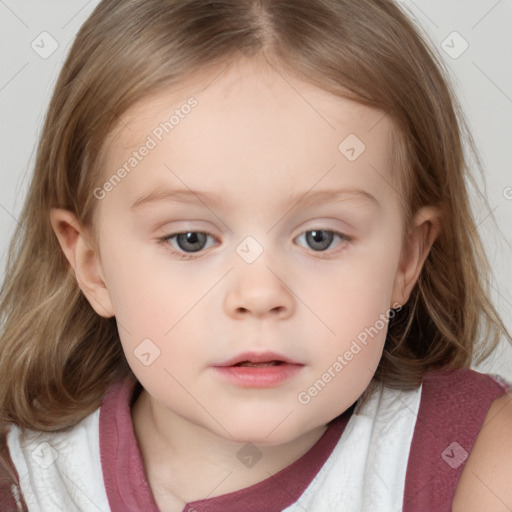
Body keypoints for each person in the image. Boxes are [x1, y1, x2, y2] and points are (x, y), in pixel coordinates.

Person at [1, 0, 511, 510]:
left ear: (407, 257)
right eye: (190, 239)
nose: (260, 294)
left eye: (320, 237)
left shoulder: (481, 456)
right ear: (92, 265)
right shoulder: (25, 481)